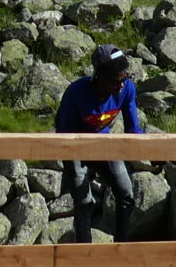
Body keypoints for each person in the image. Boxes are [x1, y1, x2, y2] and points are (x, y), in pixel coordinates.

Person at [52, 44, 143, 241]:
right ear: (99, 77)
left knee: (126, 194)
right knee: (84, 202)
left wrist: (152, 153)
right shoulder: (76, 93)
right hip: (75, 148)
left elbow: (133, 129)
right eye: (116, 80)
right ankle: (86, 257)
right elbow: (62, 132)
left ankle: (120, 252)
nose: (121, 85)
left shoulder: (127, 89)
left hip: (103, 143)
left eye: (124, 78)